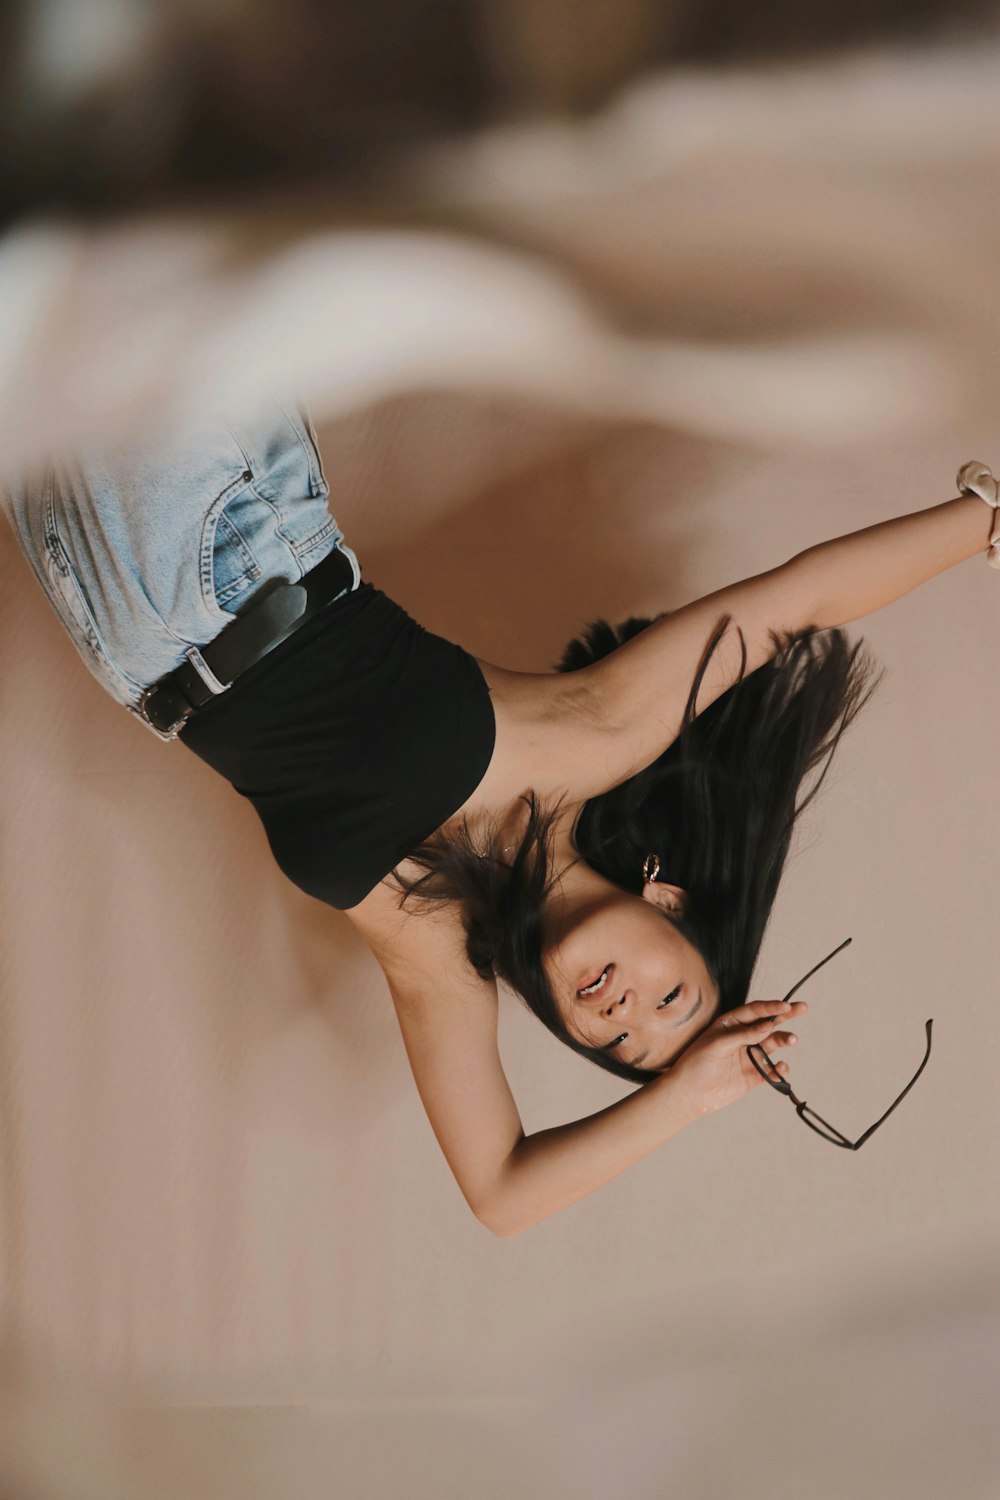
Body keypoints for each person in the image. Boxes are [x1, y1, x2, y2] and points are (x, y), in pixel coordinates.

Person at [3, 399, 998, 1235]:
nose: (623, 1014)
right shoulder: (588, 742)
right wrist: (985, 524)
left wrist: (686, 1094)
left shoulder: (436, 954)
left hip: (112, 625)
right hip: (218, 537)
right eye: (669, 998)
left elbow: (501, 1195)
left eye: (619, 1047)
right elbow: (795, 604)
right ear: (669, 897)